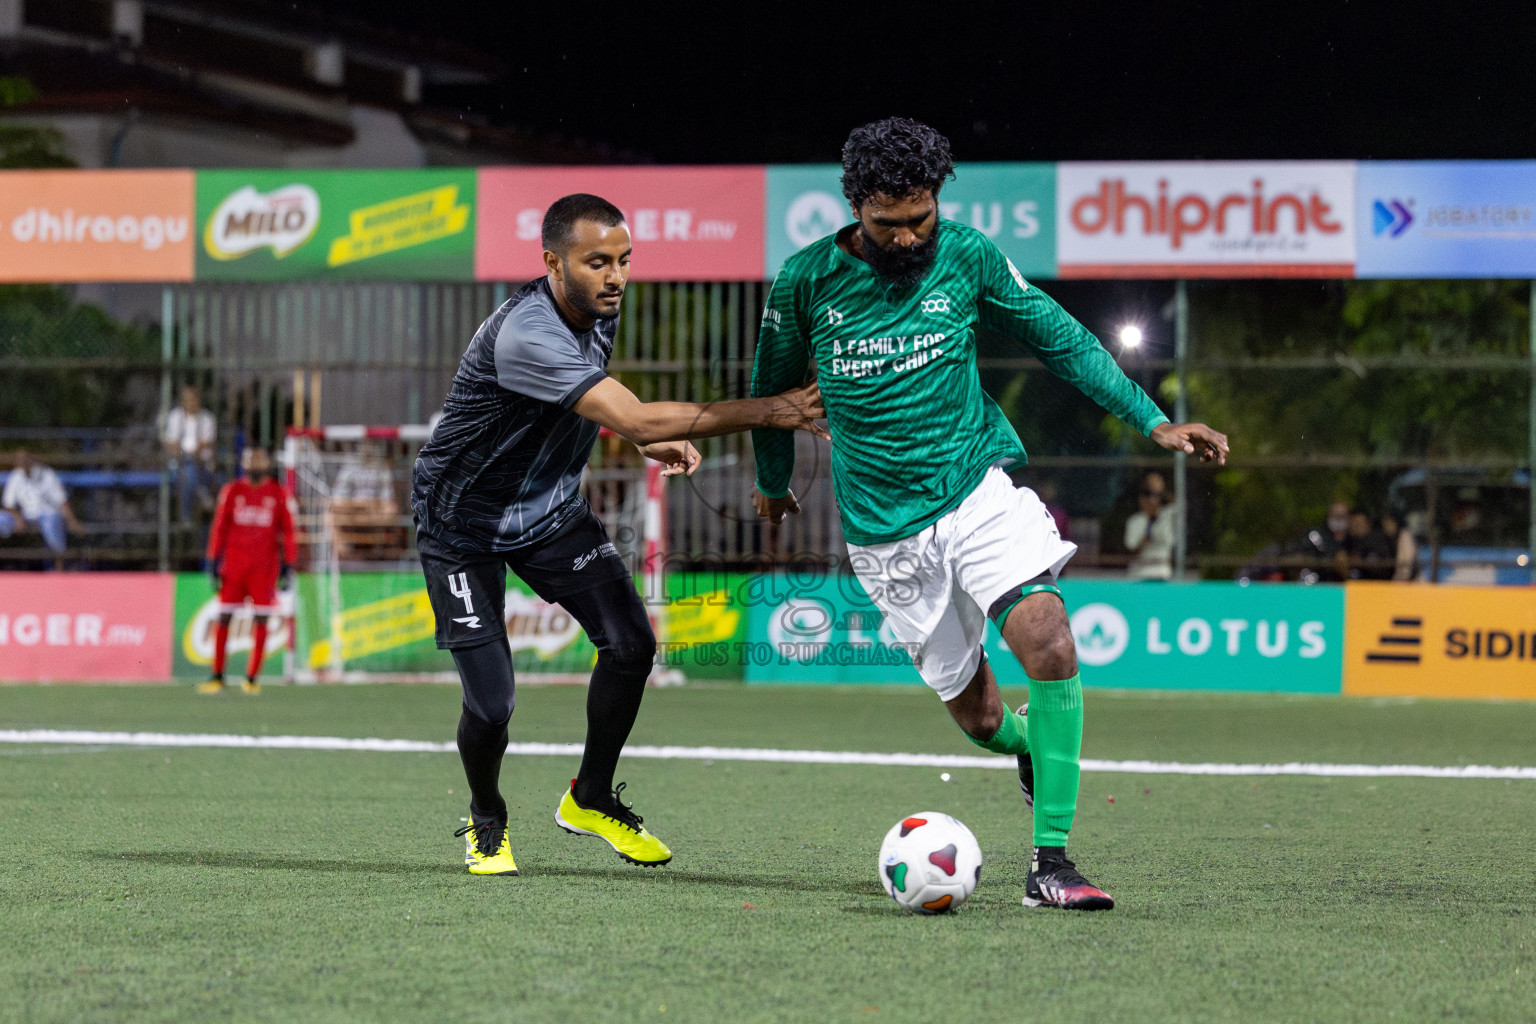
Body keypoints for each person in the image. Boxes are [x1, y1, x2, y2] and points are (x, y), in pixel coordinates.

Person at [751, 118, 1228, 911]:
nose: (907, 237)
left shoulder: (967, 255)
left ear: (939, 201)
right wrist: (773, 482)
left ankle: (1051, 863)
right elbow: (770, 391)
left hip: (976, 490)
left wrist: (1152, 421)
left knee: (1049, 639)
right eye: (887, 223)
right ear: (855, 208)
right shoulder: (805, 280)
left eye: (920, 219)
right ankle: (1024, 744)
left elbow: (1061, 338)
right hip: (885, 532)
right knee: (978, 717)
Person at [411, 193, 826, 876]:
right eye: (597, 261)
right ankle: (486, 817)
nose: (616, 276)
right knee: (492, 705)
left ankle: (592, 798)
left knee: (632, 644)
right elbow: (630, 414)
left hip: (548, 511)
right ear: (552, 262)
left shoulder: (598, 309)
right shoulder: (526, 331)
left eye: (624, 261)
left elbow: (596, 398)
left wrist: (639, 436)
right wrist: (773, 410)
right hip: (462, 525)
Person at [200, 448, 297, 695]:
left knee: (262, 619)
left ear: (267, 463)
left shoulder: (277, 493)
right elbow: (219, 527)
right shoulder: (232, 491)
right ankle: (217, 675)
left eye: (259, 458)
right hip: (233, 568)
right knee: (223, 618)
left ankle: (252, 678)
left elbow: (287, 530)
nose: (253, 463)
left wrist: (289, 563)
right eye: (249, 459)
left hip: (263, 570)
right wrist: (212, 559)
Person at [0, 450, 83, 568]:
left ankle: (58, 568)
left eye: (24, 459)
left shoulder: (47, 474)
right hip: (26, 516)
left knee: (52, 524)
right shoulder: (16, 475)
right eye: (19, 460)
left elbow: (62, 500)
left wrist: (72, 521)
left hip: (48, 515)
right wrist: (18, 518)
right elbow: (8, 504)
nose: (21, 462)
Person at [163, 385, 217, 524]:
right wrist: (185, 454)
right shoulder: (176, 416)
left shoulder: (207, 418)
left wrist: (193, 454)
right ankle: (201, 493)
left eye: (193, 399)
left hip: (202, 464)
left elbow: (206, 443)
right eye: (187, 400)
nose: (191, 403)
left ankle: (186, 517)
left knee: (189, 471)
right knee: (188, 470)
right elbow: (173, 443)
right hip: (179, 462)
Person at [1124, 471, 1178, 580]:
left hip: (1161, 574)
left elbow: (1171, 540)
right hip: (1139, 575)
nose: (1151, 500)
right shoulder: (1135, 521)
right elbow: (1130, 549)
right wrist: (1147, 533)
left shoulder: (1168, 516)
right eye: (1148, 494)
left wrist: (1162, 496)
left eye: (1156, 495)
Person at [1381, 512, 1420, 582]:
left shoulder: (1405, 536)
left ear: (1396, 523)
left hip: (1410, 583)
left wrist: (1398, 583)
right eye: (1385, 524)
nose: (1387, 527)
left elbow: (1406, 565)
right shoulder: (1387, 539)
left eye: (1390, 523)